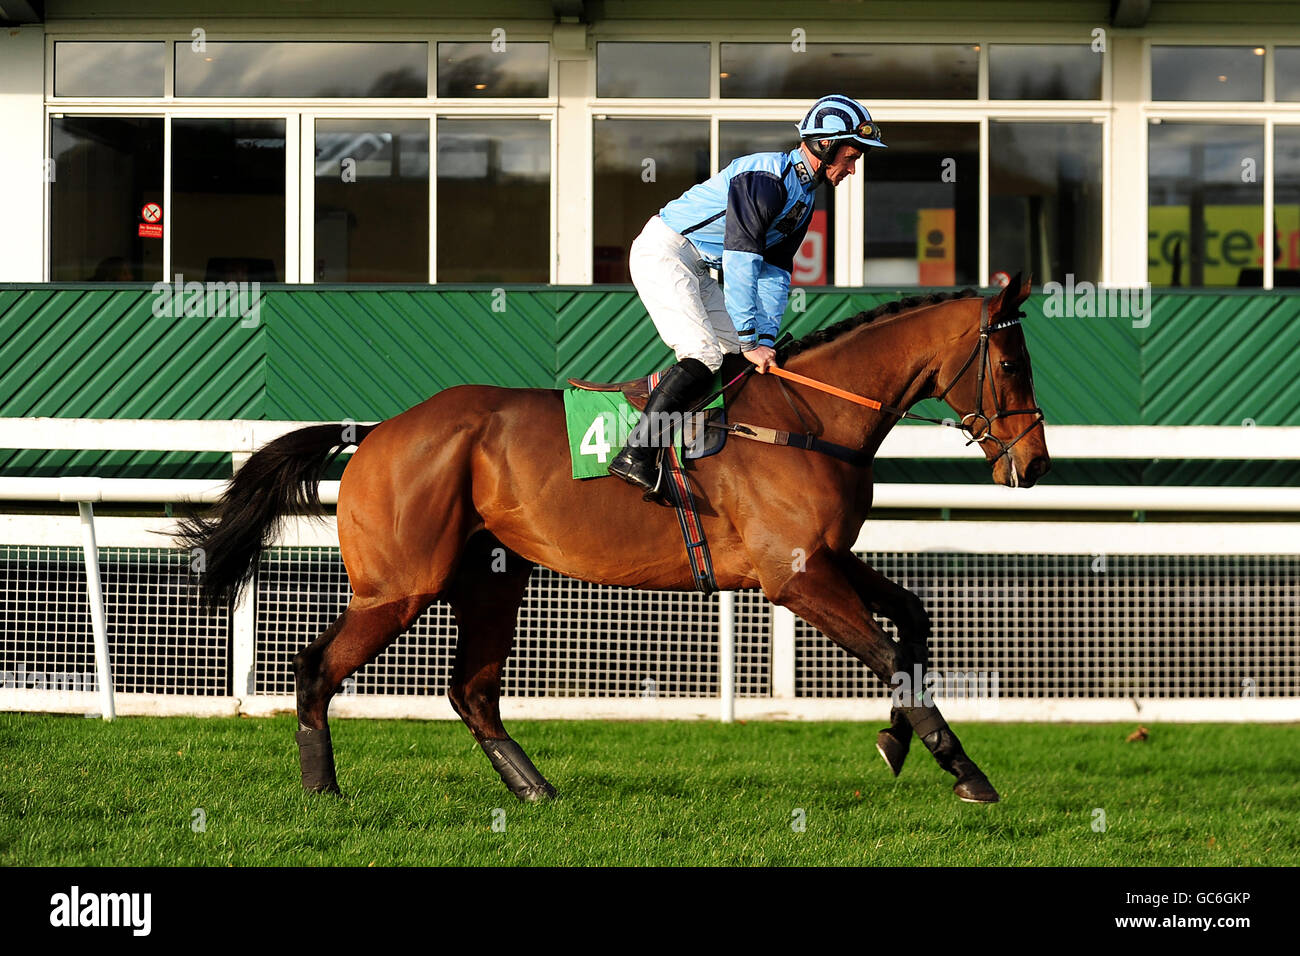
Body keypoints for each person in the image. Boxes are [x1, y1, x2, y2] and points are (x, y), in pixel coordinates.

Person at [608, 93, 887, 498]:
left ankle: (712, 450)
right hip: (664, 252)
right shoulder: (765, 177)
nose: (853, 167)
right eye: (851, 155)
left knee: (739, 357)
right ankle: (636, 453)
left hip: (699, 266)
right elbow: (742, 261)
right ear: (826, 146)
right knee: (704, 355)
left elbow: (774, 272)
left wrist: (764, 340)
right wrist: (750, 337)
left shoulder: (804, 196)